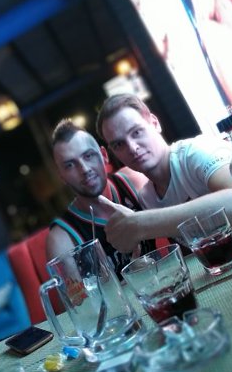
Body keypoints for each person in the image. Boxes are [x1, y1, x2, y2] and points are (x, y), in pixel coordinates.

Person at [95, 93, 232, 253]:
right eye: (119, 144)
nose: (132, 147)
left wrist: (141, 223)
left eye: (136, 132)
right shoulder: (147, 196)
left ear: (154, 123)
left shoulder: (196, 153)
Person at [46, 118, 157, 278]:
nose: (84, 169)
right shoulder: (62, 240)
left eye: (88, 156)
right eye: (70, 165)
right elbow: (78, 295)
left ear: (104, 155)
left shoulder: (134, 182)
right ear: (61, 176)